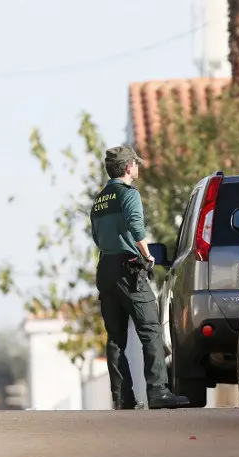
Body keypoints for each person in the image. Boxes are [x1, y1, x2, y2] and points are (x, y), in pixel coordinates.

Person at [89, 145, 190, 410]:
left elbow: (97, 237)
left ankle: (123, 398)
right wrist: (147, 254)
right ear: (127, 167)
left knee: (115, 338)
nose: (137, 167)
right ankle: (158, 393)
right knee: (151, 330)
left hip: (105, 268)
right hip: (128, 267)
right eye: (135, 163)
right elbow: (136, 225)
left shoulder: (99, 200)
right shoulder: (129, 194)